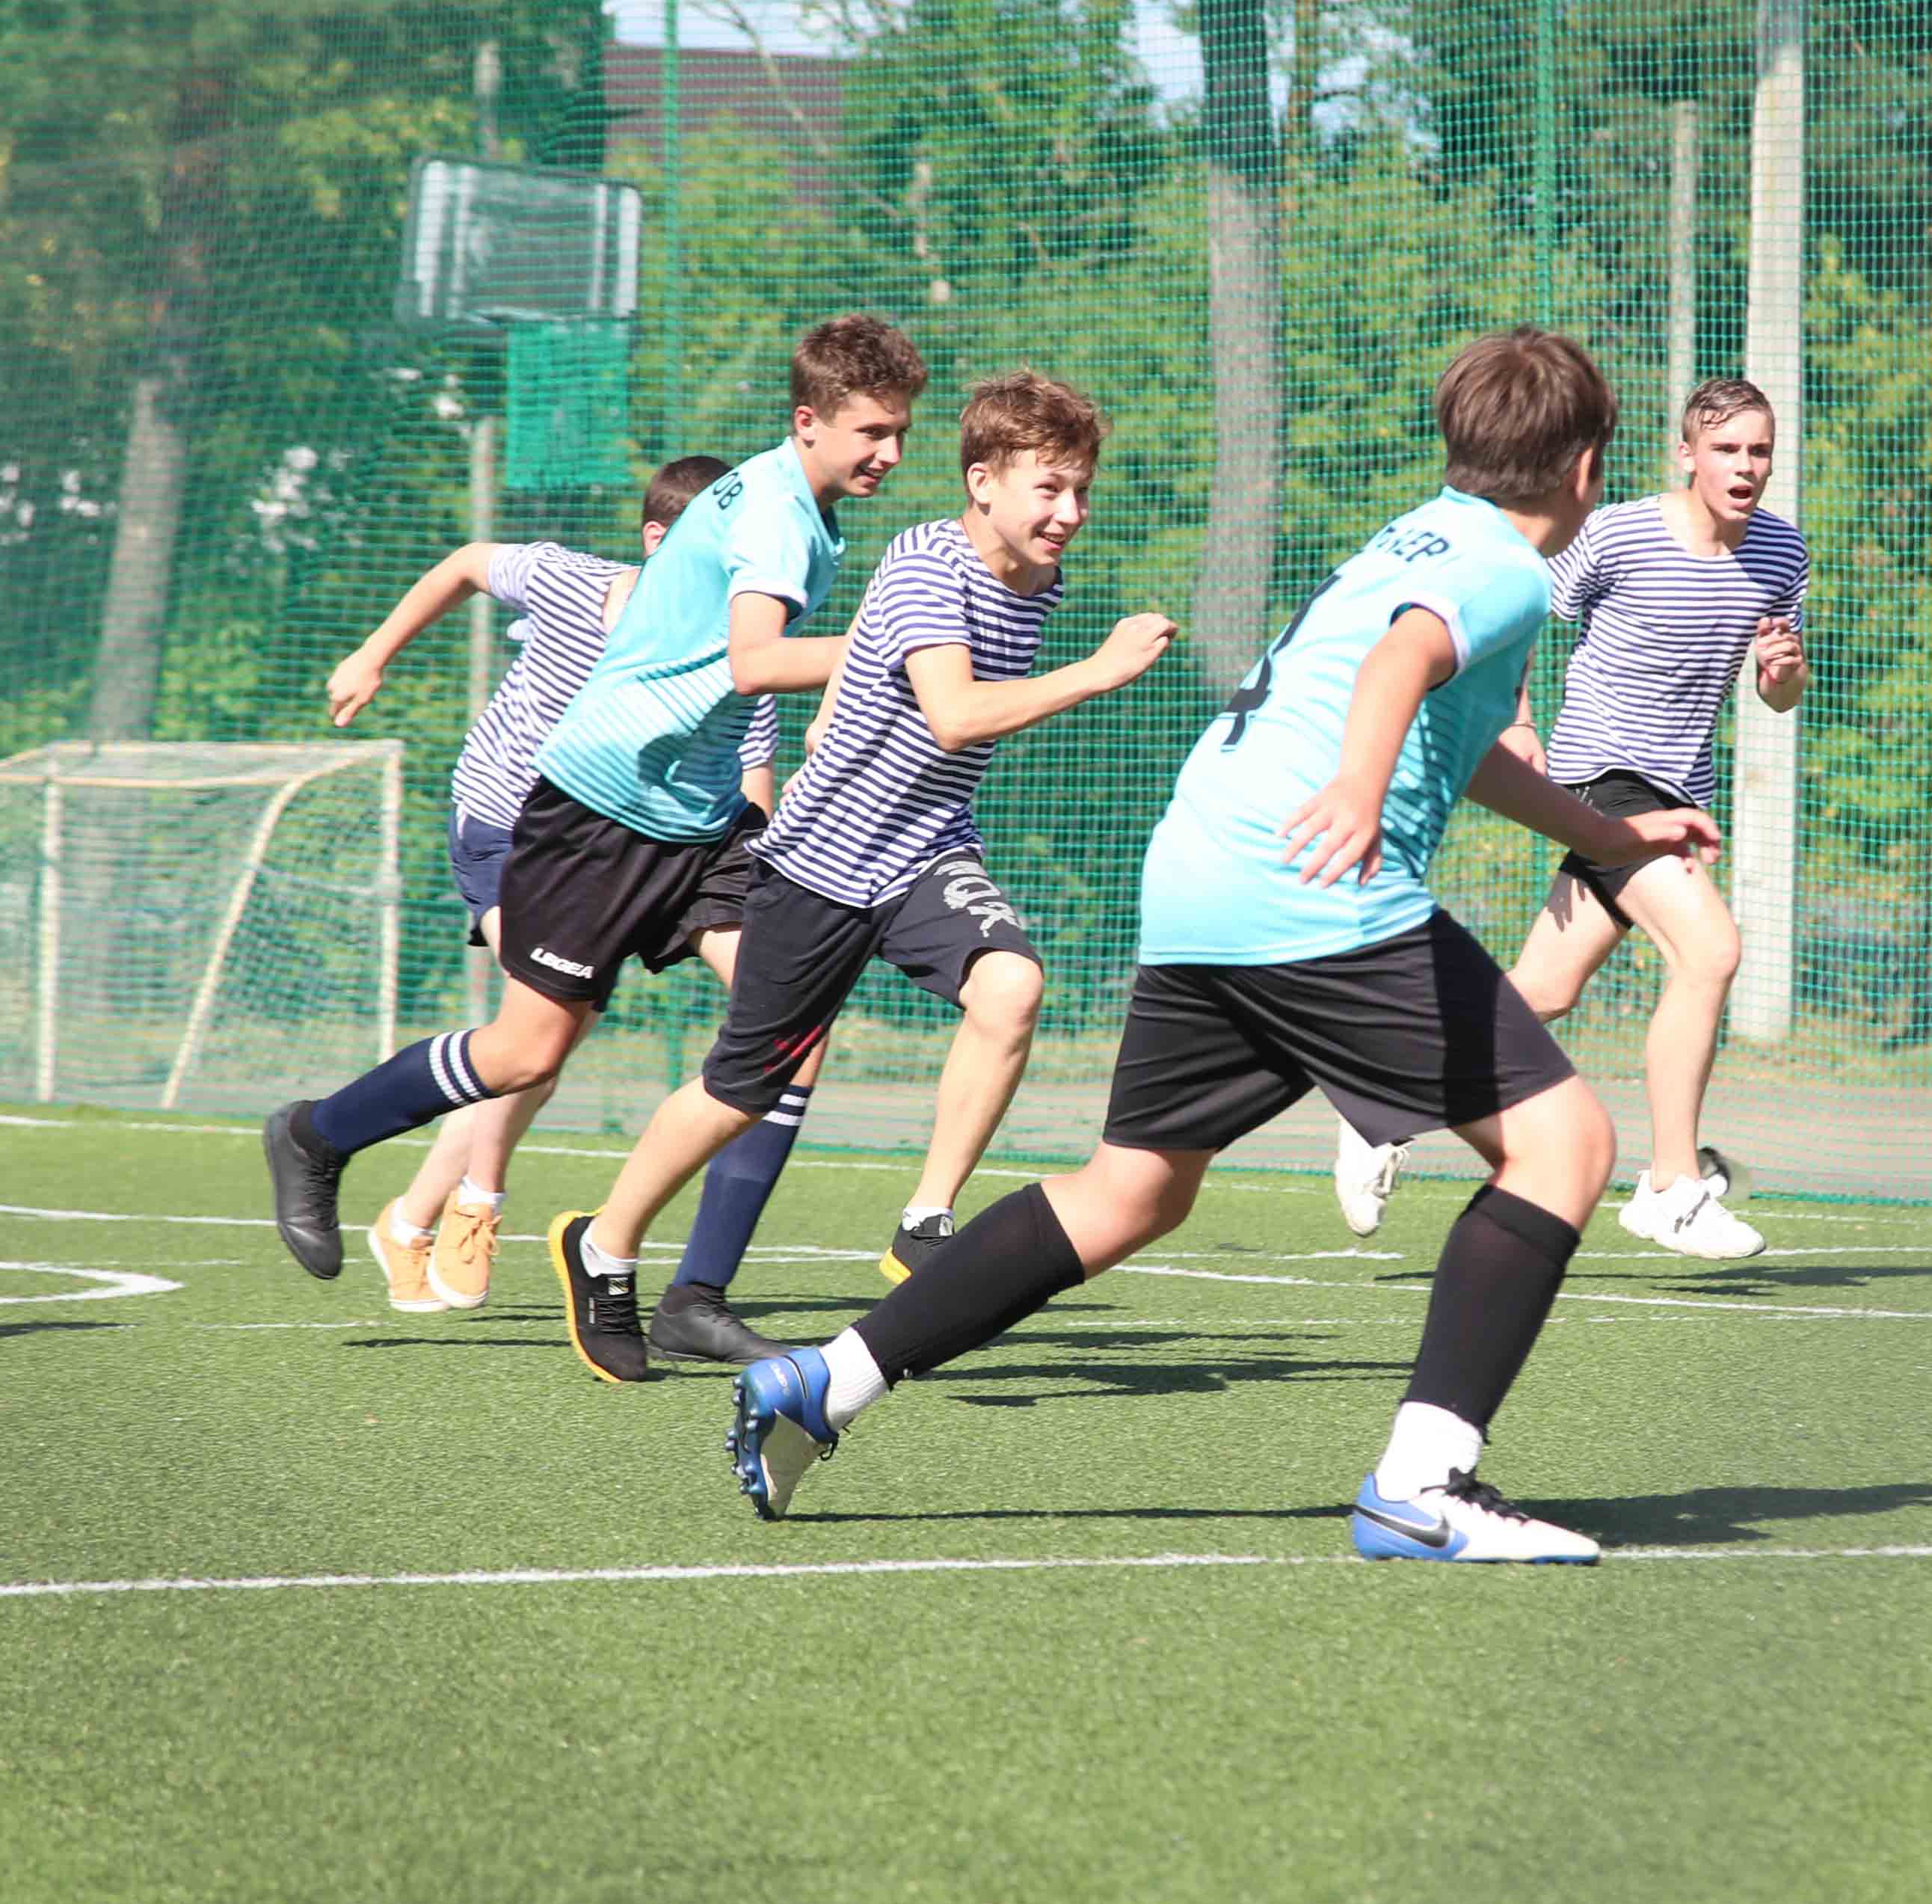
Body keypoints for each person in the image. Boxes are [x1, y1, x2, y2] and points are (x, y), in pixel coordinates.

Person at [724, 328, 1718, 1563]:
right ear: (1583, 469)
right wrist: (1358, 790)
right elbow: (1403, 663)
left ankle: (827, 1379)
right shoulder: (1505, 569)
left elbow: (1455, 739)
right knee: (1564, 1144)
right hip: (1311, 887)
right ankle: (1423, 1486)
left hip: (1203, 871)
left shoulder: (1418, 533)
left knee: (1130, 1192)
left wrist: (1607, 834)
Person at [262, 314, 926, 1386]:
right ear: (808, 421)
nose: (891, 453)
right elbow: (756, 664)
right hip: (602, 811)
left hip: (700, 819)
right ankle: (318, 1134)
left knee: (787, 1026)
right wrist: (901, 649)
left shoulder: (792, 499)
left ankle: (679, 1291)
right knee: (527, 1054)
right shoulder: (775, 516)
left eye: (901, 432)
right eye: (874, 432)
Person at [550, 369, 1178, 1375]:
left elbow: (875, 682)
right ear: (982, 482)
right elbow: (954, 714)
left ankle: (925, 1223)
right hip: (820, 869)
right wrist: (1100, 669)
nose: (1071, 513)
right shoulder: (930, 562)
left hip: (926, 854)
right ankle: (605, 1244)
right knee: (741, 1088)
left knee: (1012, 986)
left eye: (1080, 491)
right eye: (1050, 489)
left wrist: (836, 728)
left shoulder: (1037, 581)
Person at [1333, 376, 1806, 1260]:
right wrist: (1516, 721)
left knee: (1545, 991)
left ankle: (1383, 1095)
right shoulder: (1618, 532)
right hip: (1602, 778)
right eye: (1726, 449)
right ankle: (1670, 1186)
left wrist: (1782, 676)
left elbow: (1778, 694)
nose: (1745, 466)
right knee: (1710, 951)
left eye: (1759, 451)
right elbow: (1519, 614)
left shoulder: (1782, 552)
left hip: (1678, 796)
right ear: (1687, 453)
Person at [320, 456, 805, 1315]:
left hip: (615, 853)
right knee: (542, 1026)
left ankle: (410, 1216)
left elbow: (752, 791)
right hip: (505, 825)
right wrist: (372, 653)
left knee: (545, 1039)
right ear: (657, 541)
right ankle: (472, 1198)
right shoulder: (571, 583)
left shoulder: (742, 649)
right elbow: (466, 563)